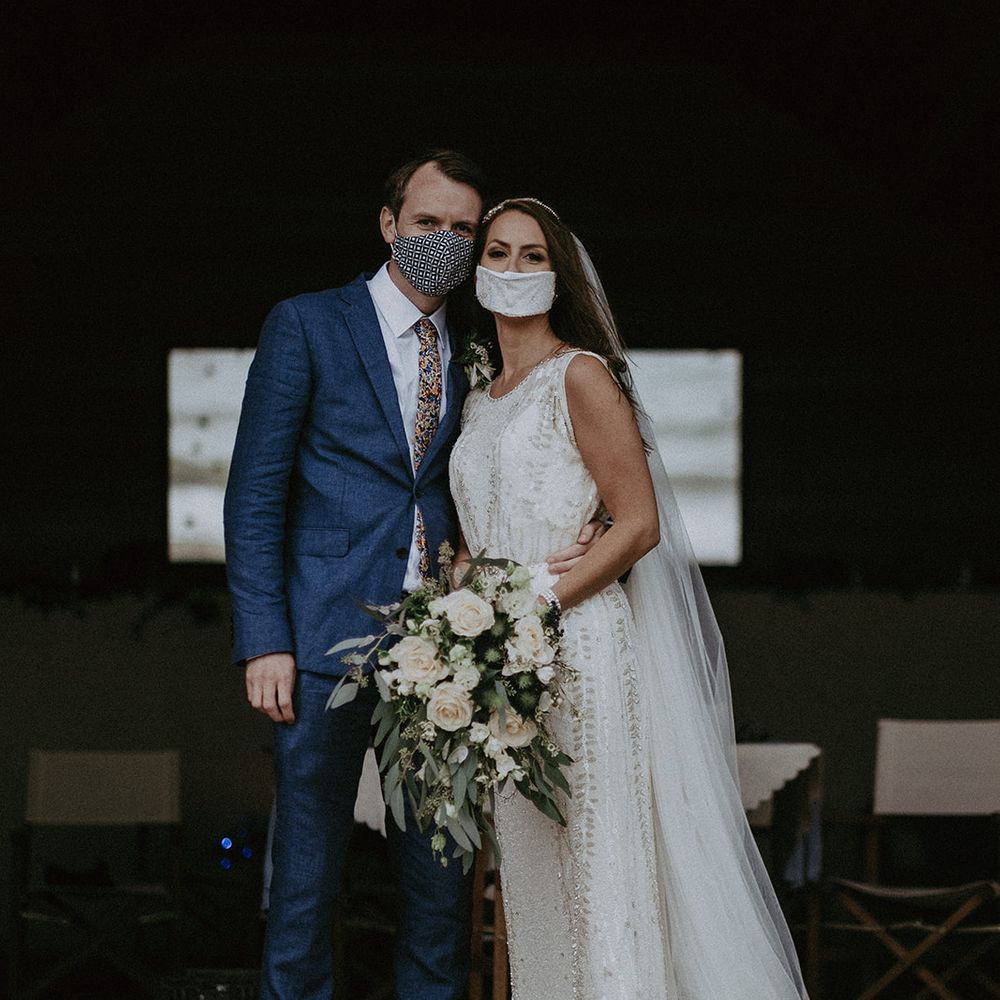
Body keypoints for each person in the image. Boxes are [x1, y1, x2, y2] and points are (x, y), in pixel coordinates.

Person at [223, 154, 603, 1000]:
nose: (446, 241)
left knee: (439, 883)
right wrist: (265, 641)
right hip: (320, 640)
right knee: (306, 877)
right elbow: (254, 495)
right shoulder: (308, 325)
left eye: (464, 230)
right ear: (389, 224)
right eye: (428, 223)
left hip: (444, 651)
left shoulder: (478, 346)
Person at [449, 198, 810, 999]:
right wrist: (462, 611)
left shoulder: (580, 375)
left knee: (599, 864)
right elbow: (477, 538)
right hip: (505, 665)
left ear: (559, 274)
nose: (510, 270)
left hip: (581, 646)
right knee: (535, 875)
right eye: (497, 253)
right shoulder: (477, 399)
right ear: (475, 272)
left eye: (532, 256)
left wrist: (535, 594)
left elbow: (637, 523)